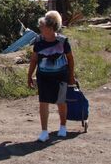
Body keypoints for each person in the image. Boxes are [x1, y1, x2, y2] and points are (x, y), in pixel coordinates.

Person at [27, 11, 75, 142]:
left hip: (60, 76)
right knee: (43, 102)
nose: (40, 29)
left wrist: (71, 76)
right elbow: (34, 59)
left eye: (42, 26)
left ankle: (63, 127)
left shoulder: (63, 41)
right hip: (43, 76)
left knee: (61, 102)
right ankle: (44, 131)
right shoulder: (38, 40)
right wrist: (29, 75)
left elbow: (70, 59)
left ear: (51, 27)